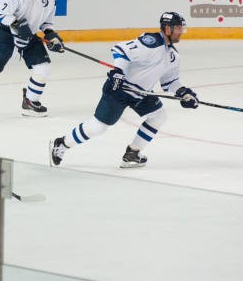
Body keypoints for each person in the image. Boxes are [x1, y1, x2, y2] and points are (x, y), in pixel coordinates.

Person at [50, 12, 197, 168]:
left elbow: (170, 81)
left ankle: (132, 153)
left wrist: (183, 92)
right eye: (178, 28)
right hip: (119, 89)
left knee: (159, 116)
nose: (181, 32)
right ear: (167, 29)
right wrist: (118, 72)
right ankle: (63, 143)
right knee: (98, 127)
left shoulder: (173, 55)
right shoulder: (151, 42)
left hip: (141, 93)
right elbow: (121, 50)